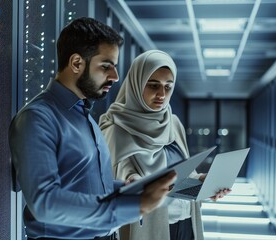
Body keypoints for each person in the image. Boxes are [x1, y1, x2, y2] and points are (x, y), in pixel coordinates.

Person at [9, 18, 177, 240]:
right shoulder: (37, 118)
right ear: (77, 63)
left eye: (115, 67)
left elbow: (85, 185)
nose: (115, 77)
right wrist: (135, 204)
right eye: (106, 66)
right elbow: (45, 203)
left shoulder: (84, 116)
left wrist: (126, 189)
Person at [99, 50, 230, 240]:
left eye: (168, 86)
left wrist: (203, 181)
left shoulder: (173, 122)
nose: (162, 94)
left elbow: (182, 173)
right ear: (136, 84)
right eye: (153, 85)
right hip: (150, 227)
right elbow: (117, 177)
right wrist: (134, 182)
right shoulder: (115, 127)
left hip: (186, 222)